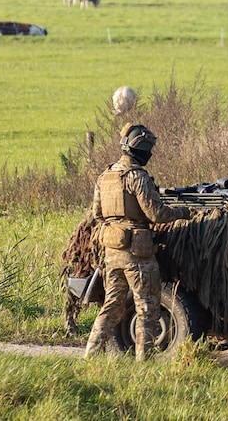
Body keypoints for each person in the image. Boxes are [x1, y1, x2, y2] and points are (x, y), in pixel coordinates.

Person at [83, 123, 190, 360]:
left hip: (112, 252)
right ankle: (144, 361)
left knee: (112, 305)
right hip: (137, 254)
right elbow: (157, 214)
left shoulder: (105, 175)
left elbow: (97, 215)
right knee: (147, 307)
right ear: (141, 148)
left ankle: (91, 355)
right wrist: (184, 212)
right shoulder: (137, 177)